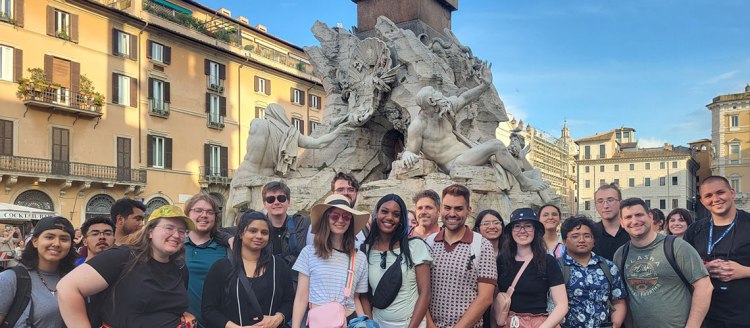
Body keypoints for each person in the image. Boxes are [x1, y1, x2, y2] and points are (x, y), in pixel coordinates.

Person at [400, 64, 549, 193]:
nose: (440, 94)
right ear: (432, 101)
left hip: (469, 151)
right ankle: (524, 182)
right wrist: (407, 154)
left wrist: (484, 85)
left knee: (502, 156)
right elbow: (411, 151)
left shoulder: (444, 109)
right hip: (453, 164)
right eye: (436, 93)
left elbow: (464, 98)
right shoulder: (418, 126)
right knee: (496, 145)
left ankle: (529, 181)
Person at [57, 205, 196, 327]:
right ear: (150, 231)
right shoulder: (123, 257)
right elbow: (67, 287)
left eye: (182, 231)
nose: (176, 235)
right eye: (169, 228)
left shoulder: (180, 268)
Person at [613, 198, 712, 328]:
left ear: (650, 216)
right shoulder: (621, 254)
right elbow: (624, 297)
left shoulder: (677, 247)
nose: (635, 221)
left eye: (639, 215)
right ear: (622, 223)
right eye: (628, 217)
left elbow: (704, 287)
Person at [202, 210, 294, 328]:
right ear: (240, 233)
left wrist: (277, 318)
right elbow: (208, 310)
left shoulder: (279, 266)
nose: (259, 236)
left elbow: (289, 301)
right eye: (253, 231)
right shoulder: (221, 267)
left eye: (264, 232)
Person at [291, 194, 370, 328]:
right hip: (320, 322)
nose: (340, 220)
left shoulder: (360, 257)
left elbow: (355, 298)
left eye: (346, 217)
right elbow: (301, 297)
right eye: (334, 215)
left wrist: (363, 322)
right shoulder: (309, 253)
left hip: (350, 320)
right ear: (325, 219)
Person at [684, 176, 750, 327]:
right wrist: (702, 270)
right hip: (707, 317)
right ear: (702, 201)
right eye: (708, 196)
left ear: (732, 193)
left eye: (720, 192)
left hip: (744, 317)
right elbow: (683, 271)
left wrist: (744, 271)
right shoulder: (694, 230)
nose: (716, 199)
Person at [427, 184, 497, 328]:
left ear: (468, 211)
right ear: (440, 209)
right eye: (447, 208)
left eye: (458, 208)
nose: (452, 213)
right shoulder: (428, 243)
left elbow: (485, 297)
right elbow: (419, 291)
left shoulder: (482, 245)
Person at [362, 194, 432, 328]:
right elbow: (364, 295)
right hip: (378, 324)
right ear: (376, 214)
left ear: (401, 219)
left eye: (396, 214)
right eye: (384, 211)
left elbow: (425, 293)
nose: (389, 217)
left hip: (410, 324)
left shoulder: (415, 246)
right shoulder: (366, 250)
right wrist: (370, 324)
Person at [495, 208, 567, 327]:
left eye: (528, 226)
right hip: (509, 323)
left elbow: (562, 305)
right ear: (511, 231)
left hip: (538, 323)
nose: (522, 231)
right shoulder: (502, 261)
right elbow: (495, 299)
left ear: (535, 230)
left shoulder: (548, 261)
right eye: (517, 226)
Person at [0, 216, 76, 327]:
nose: (57, 244)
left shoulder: (73, 278)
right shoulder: (10, 279)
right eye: (49, 237)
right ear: (35, 241)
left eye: (64, 239)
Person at [558, 216, 627, 328]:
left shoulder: (608, 267)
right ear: (564, 241)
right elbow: (549, 305)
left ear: (594, 240)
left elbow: (618, 301)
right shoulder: (556, 267)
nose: (582, 240)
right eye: (575, 236)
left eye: (587, 236)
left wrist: (615, 324)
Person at [183, 193, 231, 327]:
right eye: (198, 210)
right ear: (187, 215)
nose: (204, 215)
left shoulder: (227, 250)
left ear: (215, 218)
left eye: (210, 212)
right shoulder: (175, 247)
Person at [262, 182, 310, 270]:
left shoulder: (301, 223)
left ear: (288, 201)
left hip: (295, 280)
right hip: (266, 279)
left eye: (281, 198)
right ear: (265, 204)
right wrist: (229, 239)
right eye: (270, 199)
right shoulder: (257, 225)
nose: (276, 202)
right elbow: (229, 231)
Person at [472, 209, 503, 328]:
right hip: (479, 308)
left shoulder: (511, 252)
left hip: (503, 308)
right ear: (478, 228)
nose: (492, 226)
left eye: (496, 222)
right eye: (486, 224)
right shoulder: (472, 252)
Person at [592, 183, 630, 261]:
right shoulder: (591, 233)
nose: (605, 206)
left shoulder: (632, 230)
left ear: (620, 202)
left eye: (610, 200)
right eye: (600, 201)